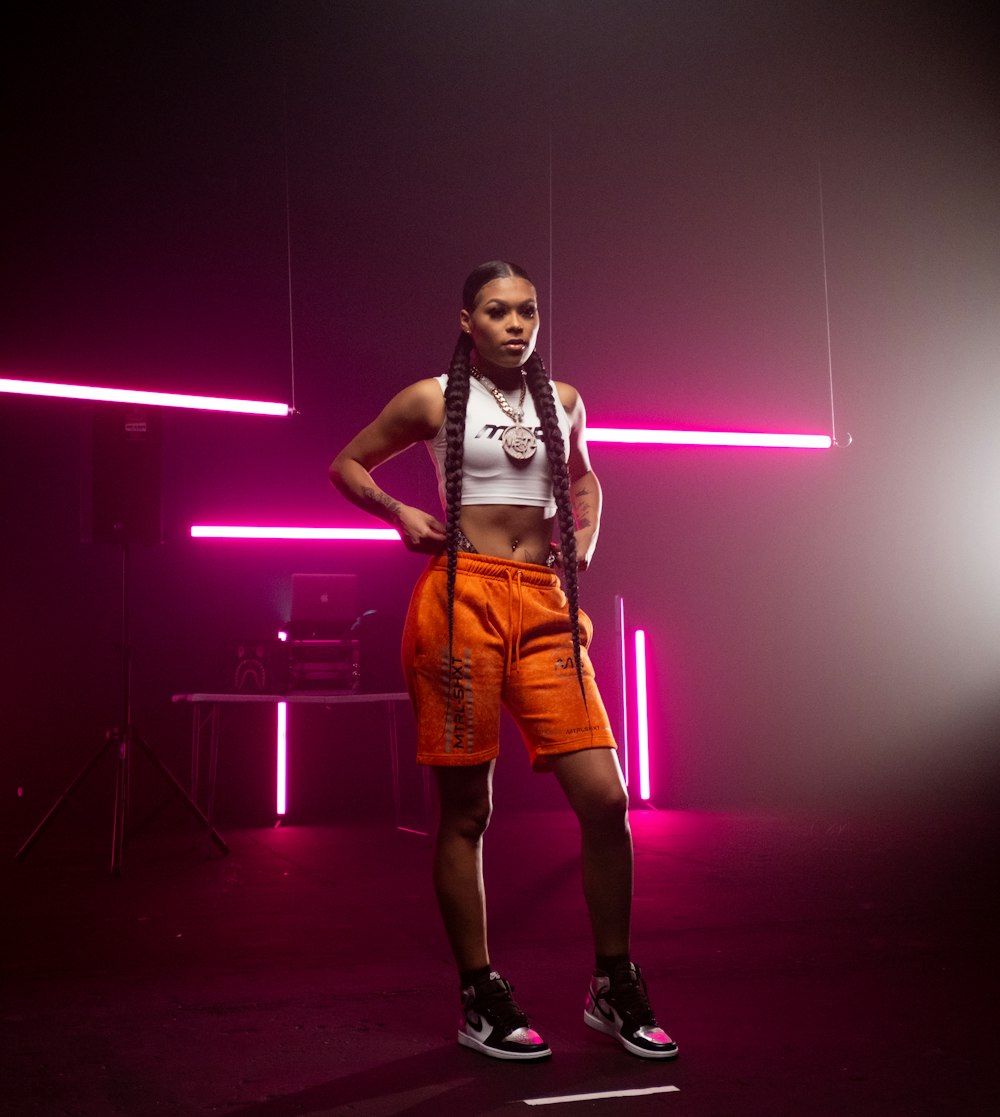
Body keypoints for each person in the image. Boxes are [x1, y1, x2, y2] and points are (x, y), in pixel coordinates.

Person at [330, 260, 677, 1063]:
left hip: (545, 601)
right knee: (468, 812)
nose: (517, 324)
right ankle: (481, 994)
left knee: (606, 799)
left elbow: (585, 481)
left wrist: (580, 548)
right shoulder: (431, 399)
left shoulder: (564, 403)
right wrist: (399, 513)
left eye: (528, 311)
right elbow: (347, 463)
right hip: (462, 600)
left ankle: (612, 983)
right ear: (467, 320)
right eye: (498, 311)